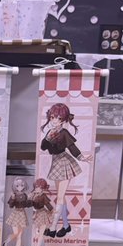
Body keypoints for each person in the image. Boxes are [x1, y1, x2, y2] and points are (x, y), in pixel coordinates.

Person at [39, 102, 93, 238]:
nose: (54, 121)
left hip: (64, 163)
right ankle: (66, 226)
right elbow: (43, 147)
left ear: (64, 120)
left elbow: (72, 147)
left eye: (58, 118)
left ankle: (52, 228)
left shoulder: (64, 133)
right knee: (61, 197)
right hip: (56, 162)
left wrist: (82, 157)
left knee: (60, 197)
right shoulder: (50, 132)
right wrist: (48, 137)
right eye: (52, 117)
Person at [3, 177, 30, 246]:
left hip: (22, 214)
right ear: (14, 186)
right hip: (15, 214)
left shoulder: (25, 195)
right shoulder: (13, 195)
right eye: (17, 185)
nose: (20, 187)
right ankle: (6, 243)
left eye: (22, 185)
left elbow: (27, 205)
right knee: (16, 233)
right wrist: (13, 198)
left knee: (19, 237)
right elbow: (11, 205)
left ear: (24, 186)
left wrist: (29, 200)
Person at [28, 177, 55, 246]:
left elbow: (49, 207)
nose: (37, 188)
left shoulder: (43, 196)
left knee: (40, 235)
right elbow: (29, 203)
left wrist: (53, 212)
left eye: (39, 187)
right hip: (37, 215)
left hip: (43, 215)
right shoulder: (33, 195)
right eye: (36, 187)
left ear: (42, 188)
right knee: (41, 235)